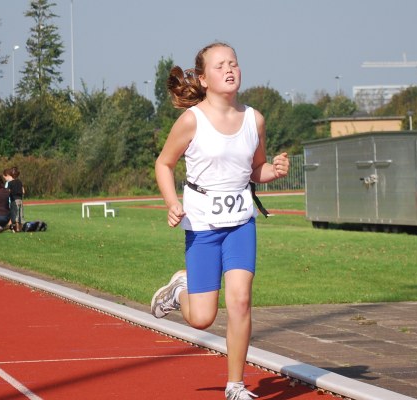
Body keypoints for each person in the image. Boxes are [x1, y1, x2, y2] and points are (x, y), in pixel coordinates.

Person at [151, 42, 289, 400]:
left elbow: (256, 169)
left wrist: (273, 171)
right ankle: (180, 289)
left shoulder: (255, 119)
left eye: (234, 63)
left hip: (241, 222)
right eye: (220, 66)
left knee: (241, 301)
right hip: (202, 226)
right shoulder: (191, 120)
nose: (230, 70)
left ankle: (235, 386)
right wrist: (172, 203)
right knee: (202, 319)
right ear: (203, 79)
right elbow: (164, 163)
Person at [4, 167, 25, 232]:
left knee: (15, 214)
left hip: (14, 200)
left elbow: (8, 192)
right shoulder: (20, 182)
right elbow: (23, 191)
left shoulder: (10, 183)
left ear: (11, 174)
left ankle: (17, 228)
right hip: (20, 200)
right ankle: (21, 228)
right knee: (20, 214)